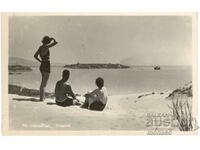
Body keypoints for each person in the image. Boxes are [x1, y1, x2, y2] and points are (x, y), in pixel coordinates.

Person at [34, 36, 58, 101]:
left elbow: (35, 56)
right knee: (44, 83)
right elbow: (56, 43)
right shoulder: (46, 46)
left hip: (42, 64)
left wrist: (40, 61)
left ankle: (42, 97)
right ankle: (41, 99)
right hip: (46, 64)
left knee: (43, 82)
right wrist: (53, 38)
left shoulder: (40, 47)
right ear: (48, 41)